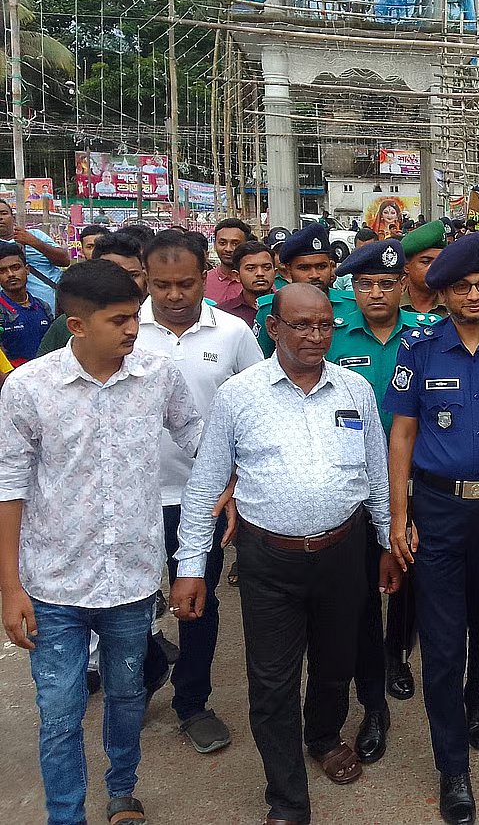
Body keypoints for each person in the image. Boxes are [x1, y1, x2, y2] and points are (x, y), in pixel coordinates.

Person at [173, 283, 398, 825]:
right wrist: (190, 567)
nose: (316, 335)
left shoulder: (355, 389)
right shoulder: (239, 395)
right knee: (272, 679)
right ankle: (286, 797)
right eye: (302, 325)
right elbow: (206, 485)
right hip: (268, 561)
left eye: (324, 325)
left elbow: (376, 473)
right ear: (274, 329)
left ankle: (322, 735)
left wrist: (388, 542)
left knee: (335, 662)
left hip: (344, 553)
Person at [0, 260, 203, 825]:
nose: (134, 330)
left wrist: (228, 483)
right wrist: (10, 586)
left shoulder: (158, 375)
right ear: (77, 326)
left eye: (134, 317)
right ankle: (66, 815)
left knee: (126, 696)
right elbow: (8, 486)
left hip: (133, 578)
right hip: (54, 584)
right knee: (60, 713)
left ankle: (122, 793)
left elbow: (194, 436)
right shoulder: (29, 388)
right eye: (119, 320)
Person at [383, 233, 479, 825]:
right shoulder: (420, 347)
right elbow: (402, 434)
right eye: (463, 288)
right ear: (443, 293)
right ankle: (453, 767)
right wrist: (400, 515)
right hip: (440, 511)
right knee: (443, 640)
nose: (476, 296)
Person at [136, 229, 263, 752]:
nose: (173, 295)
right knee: (131, 602)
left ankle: (192, 701)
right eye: (161, 284)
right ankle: (143, 675)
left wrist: (236, 483)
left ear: (204, 274)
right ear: (145, 278)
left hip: (203, 498)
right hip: (134, 498)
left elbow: (258, 409)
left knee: (198, 602)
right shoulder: (125, 330)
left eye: (185, 283)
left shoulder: (233, 334)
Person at [328, 238, 411, 763]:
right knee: (358, 600)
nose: (376, 293)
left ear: (403, 286)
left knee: (409, 585)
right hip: (351, 492)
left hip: (413, 486)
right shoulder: (331, 340)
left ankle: (399, 652)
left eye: (386, 283)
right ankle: (372, 703)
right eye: (365, 284)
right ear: (351, 288)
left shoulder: (426, 338)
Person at [38, 231, 149, 358]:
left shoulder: (159, 368)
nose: (131, 329)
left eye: (133, 275)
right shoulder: (68, 322)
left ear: (145, 275)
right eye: (118, 320)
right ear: (77, 327)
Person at [254, 222, 356, 355]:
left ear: (331, 266)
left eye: (321, 266)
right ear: (288, 269)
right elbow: (260, 360)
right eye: (304, 268)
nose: (314, 275)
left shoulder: (353, 306)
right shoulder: (270, 308)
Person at [0, 198, 69, 312]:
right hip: (12, 315)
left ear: (13, 217)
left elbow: (64, 260)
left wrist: (33, 242)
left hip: (56, 306)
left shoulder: (35, 235)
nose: (0, 218)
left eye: (4, 213)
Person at [0, 242, 53, 366]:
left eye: (15, 267)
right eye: (2, 271)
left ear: (27, 269)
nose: (11, 274)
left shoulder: (43, 307)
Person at [400, 218, 450, 326]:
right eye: (425, 262)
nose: (434, 268)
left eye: (439, 261)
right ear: (406, 266)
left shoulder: (453, 305)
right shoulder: (393, 306)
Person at [219, 240, 276, 329]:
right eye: (251, 269)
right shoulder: (222, 313)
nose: (260, 273)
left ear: (275, 272)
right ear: (237, 275)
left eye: (267, 268)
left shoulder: (287, 308)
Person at [206, 218, 253, 306]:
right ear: (215, 244)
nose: (228, 249)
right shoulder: (203, 281)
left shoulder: (257, 281)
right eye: (222, 243)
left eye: (235, 244)